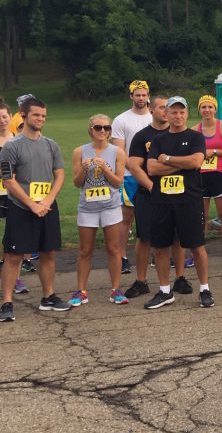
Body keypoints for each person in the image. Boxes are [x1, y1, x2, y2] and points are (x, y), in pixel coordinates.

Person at [0, 97, 70, 321]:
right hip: (21, 207)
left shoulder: (51, 145)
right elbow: (8, 180)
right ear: (23, 115)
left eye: (43, 116)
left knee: (48, 252)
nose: (40, 119)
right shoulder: (12, 146)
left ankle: (48, 296)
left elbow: (59, 175)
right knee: (13, 256)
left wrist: (47, 202)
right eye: (36, 115)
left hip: (47, 206)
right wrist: (31, 204)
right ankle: (7, 302)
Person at [143, 97, 213, 309]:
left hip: (189, 200)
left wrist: (167, 159)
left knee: (196, 246)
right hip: (162, 201)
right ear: (167, 114)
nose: (178, 116)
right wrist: (182, 164)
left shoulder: (195, 136)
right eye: (173, 112)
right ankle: (165, 291)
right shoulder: (158, 139)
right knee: (161, 247)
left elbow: (196, 162)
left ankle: (204, 289)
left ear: (187, 114)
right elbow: (152, 169)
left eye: (182, 112)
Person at [123, 96, 189, 299]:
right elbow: (134, 166)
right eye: (161, 107)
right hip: (148, 194)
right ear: (152, 110)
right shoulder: (142, 136)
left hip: (177, 192)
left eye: (166, 108)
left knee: (177, 237)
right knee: (145, 237)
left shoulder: (180, 134)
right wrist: (151, 186)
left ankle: (180, 278)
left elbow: (191, 161)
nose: (164, 111)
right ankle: (141, 280)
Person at [70, 114, 128, 306]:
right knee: (85, 250)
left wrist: (106, 169)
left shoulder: (117, 152)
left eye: (107, 127)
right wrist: (84, 170)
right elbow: (77, 183)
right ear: (91, 130)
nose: (103, 131)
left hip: (110, 206)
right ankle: (81, 291)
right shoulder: (80, 151)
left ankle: (116, 290)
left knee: (114, 248)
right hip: (88, 207)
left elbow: (119, 182)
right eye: (98, 128)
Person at [111, 80, 152, 275]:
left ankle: (156, 253)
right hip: (129, 176)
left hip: (154, 174)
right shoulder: (121, 120)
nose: (141, 98)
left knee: (154, 216)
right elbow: (120, 152)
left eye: (144, 95)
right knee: (126, 218)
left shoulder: (156, 117)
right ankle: (121, 256)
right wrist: (136, 170)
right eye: (137, 95)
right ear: (131, 97)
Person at [192, 95, 222, 267]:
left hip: (219, 174)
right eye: (204, 107)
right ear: (199, 110)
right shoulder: (195, 129)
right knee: (200, 216)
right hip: (200, 175)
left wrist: (215, 151)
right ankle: (198, 252)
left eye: (210, 107)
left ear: (215, 109)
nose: (207, 110)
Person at [0, 102, 30, 297]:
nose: (2, 121)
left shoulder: (18, 140)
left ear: (11, 117)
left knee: (13, 238)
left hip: (14, 194)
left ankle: (15, 278)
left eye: (4, 116)